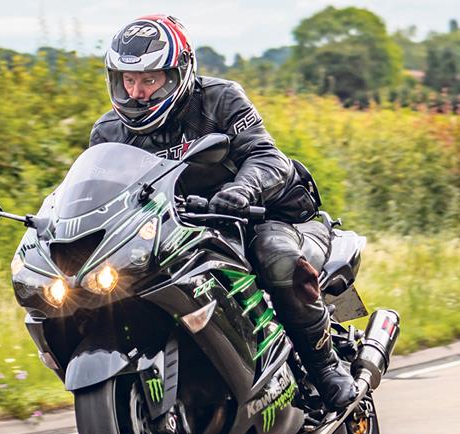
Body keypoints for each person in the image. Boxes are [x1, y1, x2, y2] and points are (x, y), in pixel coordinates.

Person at [89, 14, 357, 410]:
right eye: (128, 80)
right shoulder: (108, 132)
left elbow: (269, 157)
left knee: (277, 258)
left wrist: (241, 189)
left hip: (260, 216)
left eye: (149, 80)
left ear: (179, 71)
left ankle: (324, 366)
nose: (138, 92)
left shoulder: (220, 99)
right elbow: (97, 192)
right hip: (173, 230)